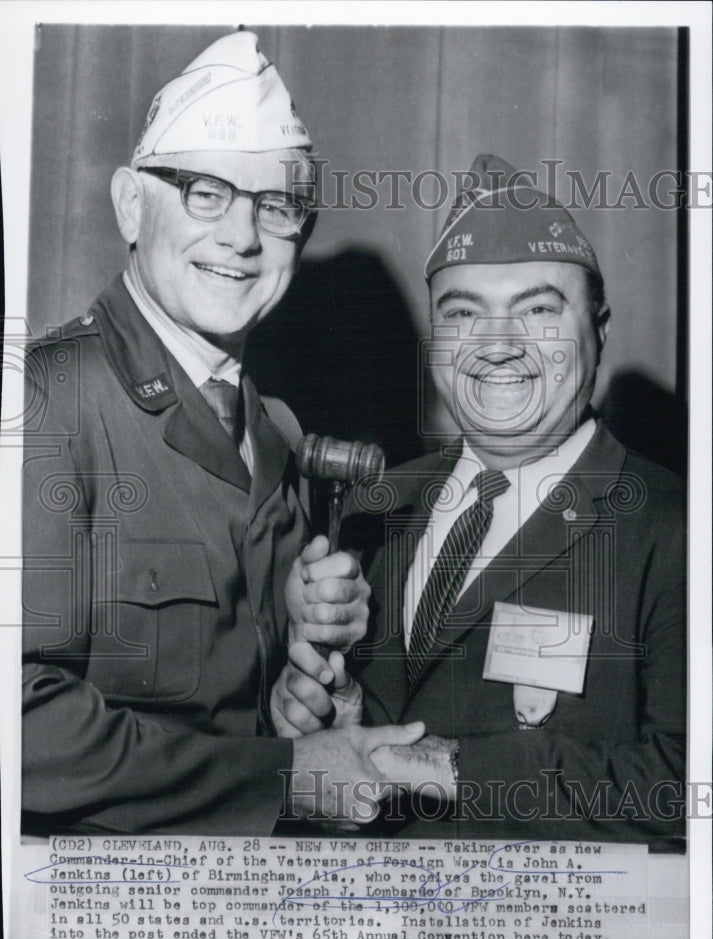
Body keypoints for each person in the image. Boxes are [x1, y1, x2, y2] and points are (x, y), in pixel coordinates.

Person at [21, 31, 424, 836]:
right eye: (206, 192)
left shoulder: (274, 428)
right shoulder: (46, 400)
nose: (242, 236)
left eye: (274, 206)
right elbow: (20, 728)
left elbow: (228, 702)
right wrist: (285, 776)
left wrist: (287, 709)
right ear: (133, 204)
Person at [271, 154, 686, 850]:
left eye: (538, 310)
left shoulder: (671, 529)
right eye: (464, 313)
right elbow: (368, 726)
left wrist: (454, 767)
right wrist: (321, 714)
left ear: (599, 330)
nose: (496, 345)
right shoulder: (375, 506)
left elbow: (686, 783)